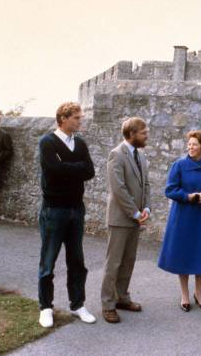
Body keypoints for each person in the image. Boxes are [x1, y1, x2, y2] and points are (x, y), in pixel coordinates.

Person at [37, 102, 96, 328]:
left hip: (76, 209)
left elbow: (89, 171)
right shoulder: (48, 142)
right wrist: (76, 168)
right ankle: (46, 308)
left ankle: (78, 305)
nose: (80, 121)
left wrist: (68, 167)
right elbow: (53, 171)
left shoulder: (79, 143)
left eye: (80, 117)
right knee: (48, 262)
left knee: (77, 261)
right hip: (54, 209)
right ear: (63, 118)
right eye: (76, 118)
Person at [158, 130, 201, 312]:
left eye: (194, 144)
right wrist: (188, 196)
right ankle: (185, 295)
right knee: (184, 254)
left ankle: (199, 293)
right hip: (183, 216)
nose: (190, 147)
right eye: (189, 144)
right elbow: (170, 190)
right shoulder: (179, 165)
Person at [101, 117, 151, 324]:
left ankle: (122, 298)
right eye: (143, 132)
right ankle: (107, 305)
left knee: (128, 262)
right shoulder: (116, 155)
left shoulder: (141, 155)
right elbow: (118, 189)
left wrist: (146, 208)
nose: (146, 135)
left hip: (136, 218)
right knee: (113, 263)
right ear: (131, 134)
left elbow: (146, 184)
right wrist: (135, 213)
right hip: (120, 218)